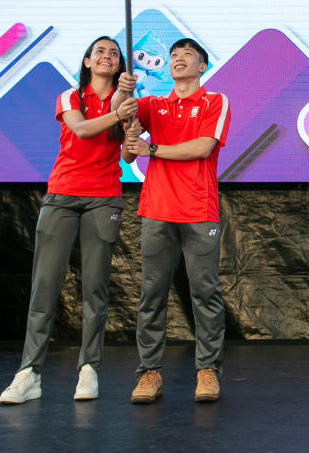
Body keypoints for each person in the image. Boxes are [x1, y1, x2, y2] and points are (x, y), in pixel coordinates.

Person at [0, 36, 138, 405]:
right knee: (45, 286)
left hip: (103, 198)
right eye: (100, 52)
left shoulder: (125, 102)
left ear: (120, 65)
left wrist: (130, 126)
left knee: (95, 287)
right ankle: (29, 373)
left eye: (114, 53)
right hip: (61, 196)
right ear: (88, 61)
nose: (107, 57)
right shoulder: (70, 97)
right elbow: (81, 129)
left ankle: (89, 369)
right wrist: (117, 114)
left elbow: (127, 156)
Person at [115, 38, 231, 404]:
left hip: (198, 210)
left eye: (188, 56)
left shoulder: (215, 101)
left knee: (205, 293)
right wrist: (123, 97)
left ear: (202, 66)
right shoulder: (153, 105)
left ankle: (207, 370)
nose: (179, 60)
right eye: (174, 56)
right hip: (156, 210)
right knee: (151, 294)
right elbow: (126, 136)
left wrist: (152, 149)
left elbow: (203, 147)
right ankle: (149, 373)